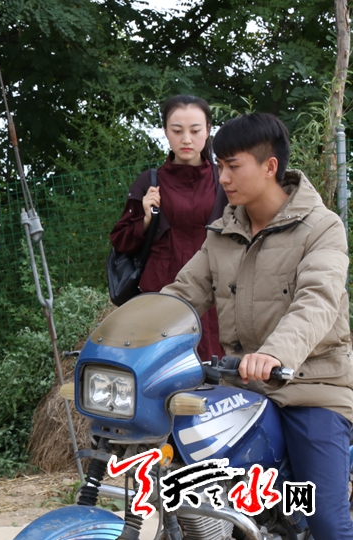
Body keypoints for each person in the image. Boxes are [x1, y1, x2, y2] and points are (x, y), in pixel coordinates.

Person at [162, 112, 353, 538]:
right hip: (242, 388)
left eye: (233, 165)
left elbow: (316, 301)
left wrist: (273, 354)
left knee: (325, 517)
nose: (223, 177)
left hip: (312, 387)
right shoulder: (222, 233)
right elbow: (181, 295)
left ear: (270, 166)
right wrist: (127, 338)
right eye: (219, 165)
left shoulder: (321, 227)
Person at [110, 95, 226, 362]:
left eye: (195, 130)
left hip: (215, 288)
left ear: (208, 130)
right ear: (165, 131)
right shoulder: (149, 182)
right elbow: (120, 240)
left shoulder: (224, 178)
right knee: (164, 367)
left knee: (217, 367)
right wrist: (146, 219)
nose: (186, 139)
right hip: (163, 288)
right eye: (177, 130)